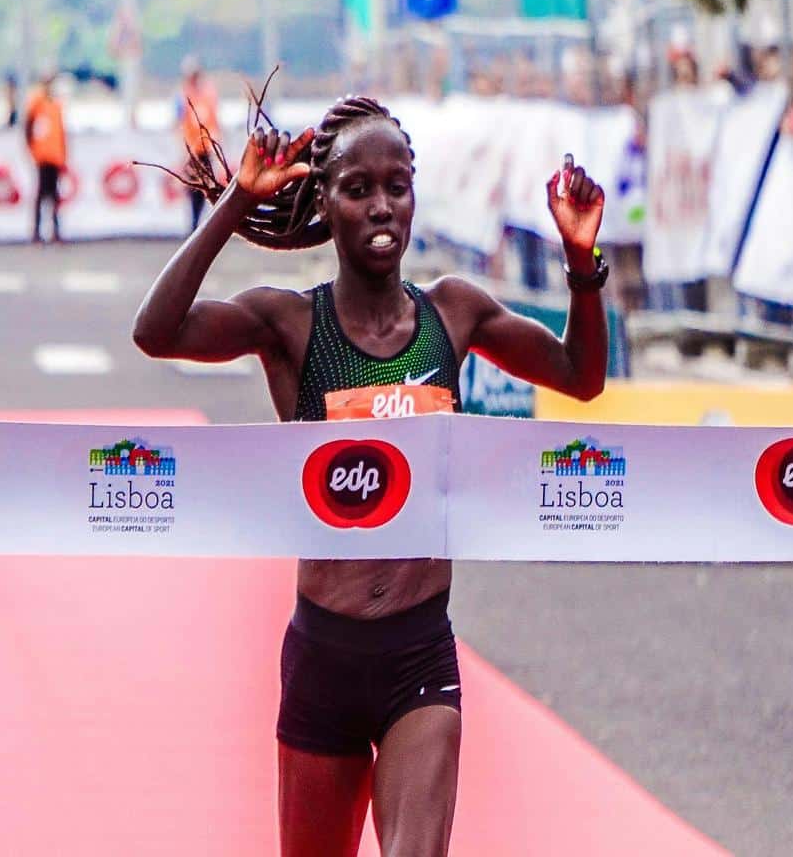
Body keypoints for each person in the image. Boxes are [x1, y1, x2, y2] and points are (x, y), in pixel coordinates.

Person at [132, 96, 608, 856]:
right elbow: (156, 332)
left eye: (398, 185)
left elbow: (581, 378)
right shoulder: (290, 327)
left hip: (419, 653)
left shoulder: (455, 314)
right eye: (358, 189)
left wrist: (582, 264)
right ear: (325, 201)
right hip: (323, 658)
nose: (382, 206)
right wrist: (235, 202)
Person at [175, 54, 220, 230]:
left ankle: (198, 223)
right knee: (192, 188)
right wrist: (182, 149)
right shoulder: (182, 95)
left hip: (205, 148)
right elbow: (178, 123)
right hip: (191, 150)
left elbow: (214, 120)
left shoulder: (208, 94)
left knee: (205, 188)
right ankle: (193, 224)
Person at [24, 72, 67, 244]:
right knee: (42, 194)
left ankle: (55, 231)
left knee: (54, 195)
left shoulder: (56, 105)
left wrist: (63, 154)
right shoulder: (37, 101)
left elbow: (61, 132)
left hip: (55, 155)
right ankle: (36, 231)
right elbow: (28, 126)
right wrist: (32, 148)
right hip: (43, 155)